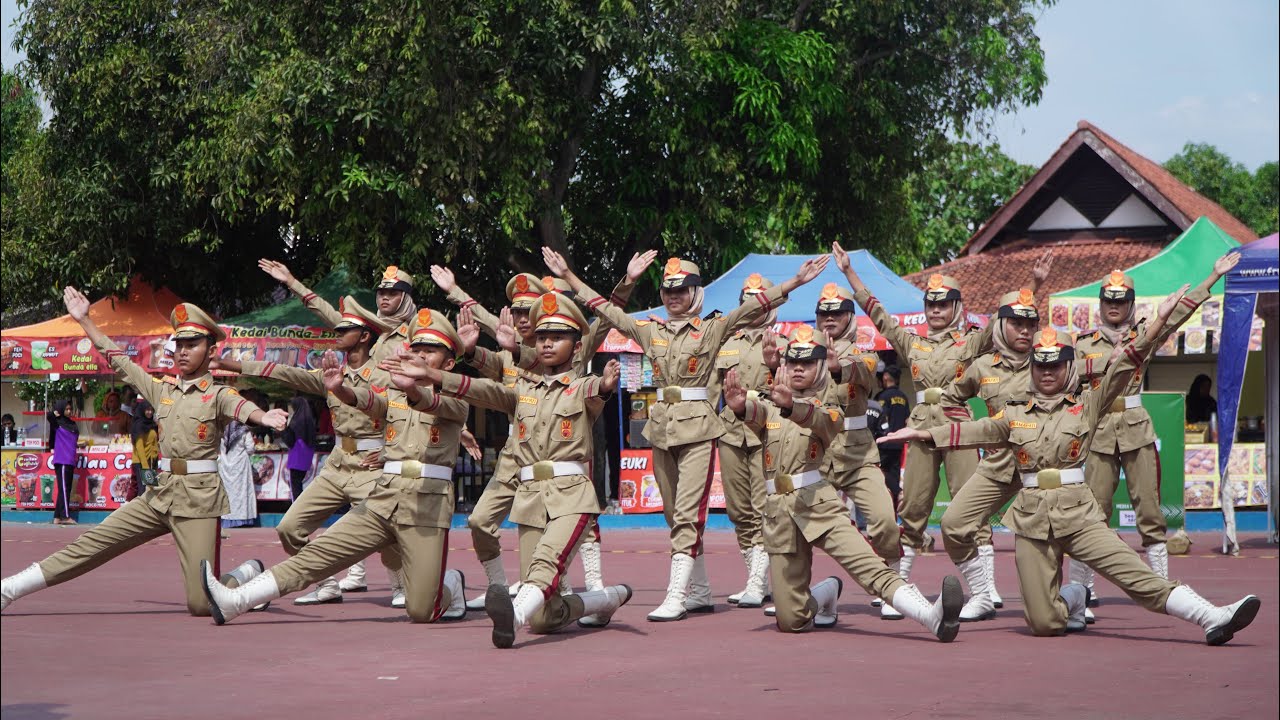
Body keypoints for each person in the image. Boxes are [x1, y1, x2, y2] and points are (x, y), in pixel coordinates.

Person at [879, 284, 1261, 645]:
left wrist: (1161, 318)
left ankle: (1212, 615)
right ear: (1032, 369)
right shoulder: (1014, 414)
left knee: (1136, 577)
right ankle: (1073, 595)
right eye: (1041, 366)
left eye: (1056, 364)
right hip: (1031, 520)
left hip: (1077, 514)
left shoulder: (1088, 403)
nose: (1047, 372)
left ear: (1070, 367)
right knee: (1043, 624)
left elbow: (1131, 357)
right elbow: (977, 430)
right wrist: (923, 434)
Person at [543, 247, 828, 621]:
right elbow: (606, 311)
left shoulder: (712, 327)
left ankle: (676, 594)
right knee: (673, 514)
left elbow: (750, 307)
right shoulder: (651, 329)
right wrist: (571, 275)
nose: (673, 296)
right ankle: (700, 590)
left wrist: (795, 281)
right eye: (667, 290)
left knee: (689, 515)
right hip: (661, 427)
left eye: (682, 289)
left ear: (696, 293)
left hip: (697, 428)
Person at [1, 289, 286, 616]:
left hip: (198, 501)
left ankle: (246, 576)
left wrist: (264, 417)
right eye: (178, 344)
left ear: (211, 350)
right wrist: (85, 321)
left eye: (192, 344)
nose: (182, 352)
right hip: (160, 493)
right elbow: (119, 361)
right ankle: (9, 589)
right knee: (91, 544)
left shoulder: (219, 394)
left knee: (201, 603)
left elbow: (241, 406)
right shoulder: (161, 390)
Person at [383, 293, 634, 648]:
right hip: (532, 500)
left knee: (545, 566)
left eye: (558, 336)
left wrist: (607, 385)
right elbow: (480, 389)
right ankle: (604, 600)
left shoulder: (582, 386)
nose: (547, 342)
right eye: (542, 336)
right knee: (544, 618)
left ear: (577, 348)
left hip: (571, 495)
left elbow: (599, 390)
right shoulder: (522, 390)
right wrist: (431, 374)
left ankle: (512, 617)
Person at [200, 309, 475, 626]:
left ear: (449, 363)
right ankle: (236, 599)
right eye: (417, 348)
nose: (420, 355)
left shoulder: (453, 398)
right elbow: (368, 401)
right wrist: (339, 388)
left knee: (421, 610)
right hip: (381, 496)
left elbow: (432, 404)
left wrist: (413, 390)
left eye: (430, 350)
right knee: (317, 553)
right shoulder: (393, 390)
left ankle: (447, 582)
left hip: (422, 505)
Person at [433, 255, 649, 613]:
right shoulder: (507, 354)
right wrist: (455, 294)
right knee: (480, 521)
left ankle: (594, 587)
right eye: (517, 311)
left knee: (581, 516)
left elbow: (608, 316)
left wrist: (626, 281)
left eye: (527, 310)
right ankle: (500, 588)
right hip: (516, 457)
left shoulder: (570, 353)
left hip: (565, 449)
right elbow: (483, 334)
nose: (521, 318)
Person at [721, 326, 963, 640]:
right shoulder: (771, 406)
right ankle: (826, 593)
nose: (798, 367)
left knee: (868, 567)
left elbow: (816, 419)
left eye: (807, 363)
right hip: (779, 515)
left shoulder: (830, 410)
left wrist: (791, 405)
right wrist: (739, 404)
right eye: (793, 360)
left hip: (817, 507)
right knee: (790, 620)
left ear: (821, 367)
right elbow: (754, 413)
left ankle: (931, 615)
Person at [831, 242, 995, 619]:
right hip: (920, 427)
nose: (936, 310)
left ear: (957, 307)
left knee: (969, 505)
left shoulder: (970, 340)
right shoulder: (913, 341)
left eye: (943, 303)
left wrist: (1035, 285)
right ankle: (897, 588)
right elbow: (879, 314)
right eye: (931, 304)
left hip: (957, 427)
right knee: (914, 507)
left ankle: (985, 591)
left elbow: (1006, 322)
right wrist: (848, 273)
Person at [1070, 258, 1242, 614]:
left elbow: (1176, 314)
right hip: (1098, 430)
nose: (1114, 306)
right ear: (1101, 303)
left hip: (1134, 427)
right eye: (1108, 300)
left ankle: (1163, 588)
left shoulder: (1143, 333)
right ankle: (1081, 591)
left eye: (1121, 300)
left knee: (1149, 510)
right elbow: (1067, 376)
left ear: (1131, 304)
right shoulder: (1083, 342)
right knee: (1090, 512)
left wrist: (1211, 276)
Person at [214, 296, 403, 605]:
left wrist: (388, 449)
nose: (338, 334)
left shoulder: (386, 376)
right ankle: (327, 584)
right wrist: (229, 364)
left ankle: (401, 586)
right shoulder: (330, 376)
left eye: (346, 329)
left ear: (365, 336)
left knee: (384, 529)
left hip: (372, 466)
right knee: (289, 527)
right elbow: (281, 371)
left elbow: (403, 417)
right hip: (338, 464)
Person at [932, 288, 1041, 622]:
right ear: (1001, 324)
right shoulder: (982, 366)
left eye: (1031, 323)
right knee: (953, 524)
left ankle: (1078, 592)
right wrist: (976, 430)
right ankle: (980, 594)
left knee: (1062, 534)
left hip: (1044, 465)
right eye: (1017, 323)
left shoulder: (1052, 360)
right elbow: (950, 398)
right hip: (1001, 464)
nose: (1025, 330)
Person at [708, 273, 776, 609]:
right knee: (738, 509)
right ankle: (757, 578)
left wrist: (776, 364)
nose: (752, 305)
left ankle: (755, 581)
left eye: (759, 299)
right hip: (730, 431)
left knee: (765, 508)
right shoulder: (727, 342)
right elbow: (709, 390)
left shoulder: (781, 341)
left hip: (765, 428)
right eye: (746, 299)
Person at [874, 366, 909, 508]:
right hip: (898, 443)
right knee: (893, 475)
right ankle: (894, 511)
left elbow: (879, 418)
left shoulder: (882, 397)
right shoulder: (904, 397)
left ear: (886, 377)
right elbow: (907, 419)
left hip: (884, 441)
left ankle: (898, 492)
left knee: (875, 471)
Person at [47, 399, 80, 526]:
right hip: (62, 460)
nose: (69, 411)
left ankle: (57, 517)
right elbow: (49, 416)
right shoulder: (57, 423)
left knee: (65, 489)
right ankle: (65, 516)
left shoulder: (72, 424)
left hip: (70, 460)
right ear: (61, 410)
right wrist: (56, 413)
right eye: (66, 409)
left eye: (70, 409)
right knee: (64, 489)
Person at [219, 418, 258, 528]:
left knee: (228, 494)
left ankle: (227, 519)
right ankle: (242, 519)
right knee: (242, 493)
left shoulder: (223, 432)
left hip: (226, 466)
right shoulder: (244, 431)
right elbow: (251, 448)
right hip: (241, 466)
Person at [282, 396, 317, 502]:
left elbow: (289, 440)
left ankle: (296, 508)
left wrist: (284, 429)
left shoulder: (295, 421)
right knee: (300, 483)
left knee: (295, 487)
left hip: (296, 457)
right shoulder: (309, 420)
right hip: (306, 456)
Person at [130, 399, 159, 499]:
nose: (150, 412)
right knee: (143, 492)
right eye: (147, 410)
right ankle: (140, 512)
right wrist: (145, 466)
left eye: (151, 410)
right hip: (141, 462)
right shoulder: (139, 425)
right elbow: (139, 447)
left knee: (151, 490)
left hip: (151, 461)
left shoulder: (151, 425)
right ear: (142, 410)